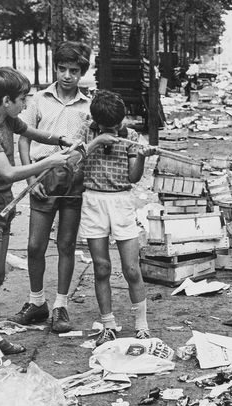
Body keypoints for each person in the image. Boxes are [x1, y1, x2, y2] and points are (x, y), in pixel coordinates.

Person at [0, 66, 78, 367]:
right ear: (6, 100)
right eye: (22, 99)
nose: (26, 104)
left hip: (2, 205)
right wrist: (48, 163)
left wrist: (59, 141)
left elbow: (30, 132)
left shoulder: (7, 120)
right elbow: (8, 172)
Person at [8, 42, 92, 333]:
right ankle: (36, 302)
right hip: (43, 176)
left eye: (74, 70)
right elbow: (23, 137)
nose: (67, 75)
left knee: (67, 244)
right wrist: (30, 179)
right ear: (54, 67)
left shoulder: (87, 106)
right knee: (35, 245)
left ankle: (61, 306)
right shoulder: (39, 100)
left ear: (82, 72)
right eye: (62, 68)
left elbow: (91, 145)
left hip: (74, 179)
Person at [80, 90, 156, 345]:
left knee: (131, 268)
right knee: (101, 267)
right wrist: (96, 141)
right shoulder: (86, 132)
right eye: (109, 127)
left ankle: (142, 324)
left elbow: (133, 178)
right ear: (97, 122)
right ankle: (108, 324)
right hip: (93, 200)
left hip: (121, 201)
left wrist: (142, 157)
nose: (116, 130)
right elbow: (72, 163)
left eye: (118, 125)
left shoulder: (131, 136)